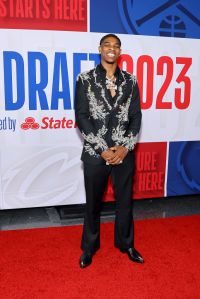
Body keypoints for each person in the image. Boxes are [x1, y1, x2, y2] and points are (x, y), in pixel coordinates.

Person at [75, 33, 144, 268]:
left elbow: (136, 117)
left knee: (125, 201)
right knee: (93, 203)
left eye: (116, 46)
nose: (111, 49)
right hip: (96, 153)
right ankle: (89, 248)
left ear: (120, 51)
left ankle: (127, 244)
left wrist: (125, 147)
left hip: (124, 152)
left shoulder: (131, 81)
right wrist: (103, 149)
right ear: (100, 49)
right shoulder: (85, 79)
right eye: (107, 45)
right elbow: (82, 117)